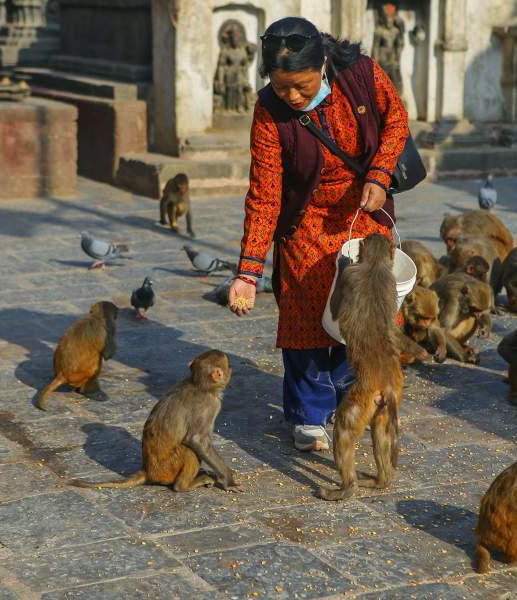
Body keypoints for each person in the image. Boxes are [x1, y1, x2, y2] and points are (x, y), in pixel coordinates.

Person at [227, 17, 408, 451]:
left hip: (362, 210)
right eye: (282, 86)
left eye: (302, 87)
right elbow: (265, 193)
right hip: (304, 219)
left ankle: (351, 392)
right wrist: (248, 274)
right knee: (306, 316)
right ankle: (309, 415)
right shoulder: (269, 110)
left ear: (323, 63)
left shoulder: (361, 75)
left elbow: (397, 122)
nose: (292, 96)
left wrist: (380, 175)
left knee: (364, 313)